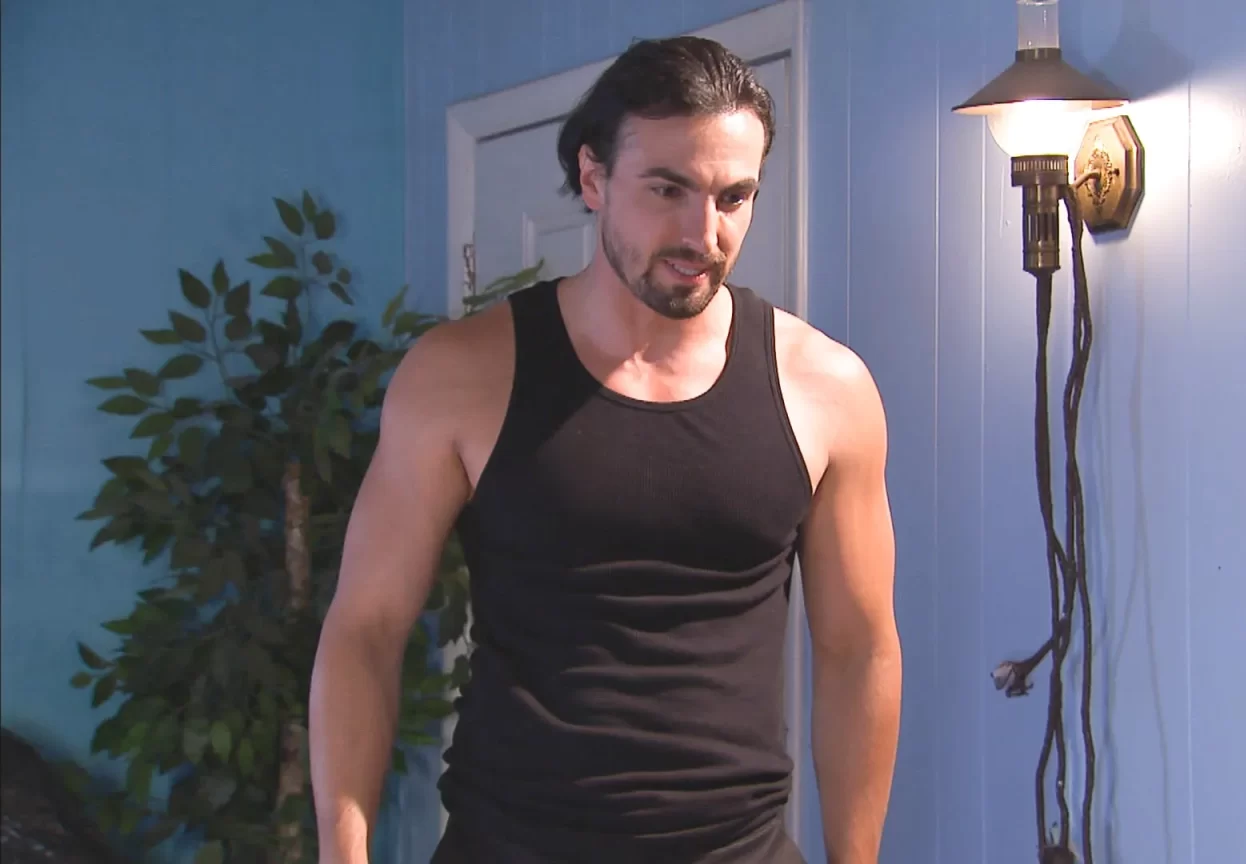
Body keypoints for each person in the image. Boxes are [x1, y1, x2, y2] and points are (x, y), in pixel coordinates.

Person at [308, 35, 903, 864]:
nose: (703, 233)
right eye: (668, 189)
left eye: (734, 197)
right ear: (593, 179)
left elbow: (858, 651)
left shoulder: (825, 388)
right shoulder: (461, 376)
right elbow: (365, 630)